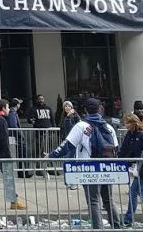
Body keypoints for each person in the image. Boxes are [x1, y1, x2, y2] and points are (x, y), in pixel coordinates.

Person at [48, 98, 122, 230]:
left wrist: (51, 155)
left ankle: (97, 228)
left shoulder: (81, 126)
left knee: (93, 201)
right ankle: (117, 226)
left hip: (88, 167)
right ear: (100, 109)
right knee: (108, 200)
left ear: (86, 110)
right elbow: (116, 149)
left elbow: (67, 146)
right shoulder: (109, 127)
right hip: (107, 167)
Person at [0, 99, 26, 211]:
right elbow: (4, 139)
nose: (8, 109)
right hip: (1, 154)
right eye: (7, 107)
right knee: (9, 178)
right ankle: (14, 201)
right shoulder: (2, 121)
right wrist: (7, 154)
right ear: (3, 108)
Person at [120, 113, 143, 223]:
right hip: (131, 166)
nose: (125, 125)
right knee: (142, 195)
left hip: (140, 167)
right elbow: (124, 148)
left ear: (133, 123)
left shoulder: (141, 135)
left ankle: (128, 219)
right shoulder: (129, 134)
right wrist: (119, 159)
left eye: (127, 122)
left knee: (134, 193)